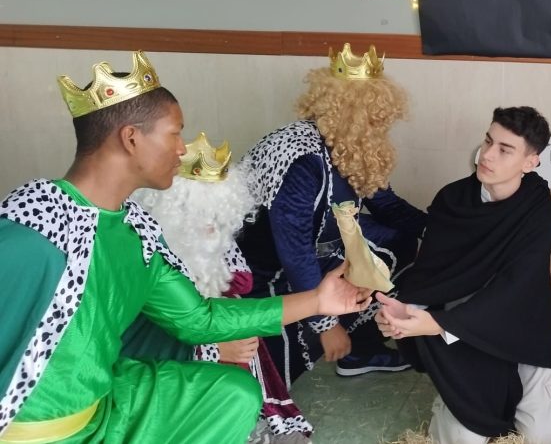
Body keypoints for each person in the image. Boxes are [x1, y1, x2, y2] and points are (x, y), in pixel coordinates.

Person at [0, 50, 369, 444]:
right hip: (31, 432)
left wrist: (319, 300)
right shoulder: (34, 229)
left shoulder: (136, 231)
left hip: (104, 405)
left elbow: (198, 319)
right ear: (131, 138)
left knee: (232, 394)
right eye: (175, 132)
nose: (181, 148)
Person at [375, 106, 551, 443]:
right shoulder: (452, 199)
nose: (487, 155)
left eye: (505, 149)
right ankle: (453, 401)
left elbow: (515, 289)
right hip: (460, 331)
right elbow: (430, 274)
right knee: (463, 439)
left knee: (541, 435)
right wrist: (406, 313)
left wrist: (438, 324)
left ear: (530, 162)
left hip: (520, 327)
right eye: (488, 141)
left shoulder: (542, 215)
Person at [236, 43, 425, 386]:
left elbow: (388, 207)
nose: (381, 127)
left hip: (324, 250)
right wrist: (327, 325)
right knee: (268, 375)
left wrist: (444, 230)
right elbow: (295, 251)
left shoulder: (353, 147)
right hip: (264, 271)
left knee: (400, 242)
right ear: (352, 116)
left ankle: (361, 349)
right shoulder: (301, 158)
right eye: (374, 119)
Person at [130, 132, 313, 441]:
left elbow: (235, 278)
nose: (212, 229)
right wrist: (212, 350)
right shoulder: (147, 260)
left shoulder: (204, 248)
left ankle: (251, 420)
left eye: (218, 217)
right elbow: (145, 344)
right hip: (152, 382)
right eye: (201, 217)